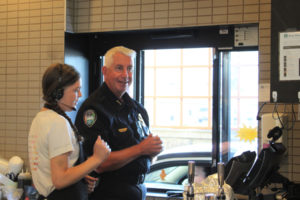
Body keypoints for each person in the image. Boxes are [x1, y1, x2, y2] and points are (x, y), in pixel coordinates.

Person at [75, 46, 163, 200]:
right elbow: (99, 163)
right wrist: (141, 149)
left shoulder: (137, 109)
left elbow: (146, 154)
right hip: (110, 193)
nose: (126, 75)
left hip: (138, 188)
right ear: (105, 71)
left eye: (129, 68)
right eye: (119, 68)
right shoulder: (93, 109)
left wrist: (152, 150)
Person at [28, 63, 111, 200]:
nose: (80, 95)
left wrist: (79, 177)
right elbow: (59, 180)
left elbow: (52, 170)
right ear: (58, 92)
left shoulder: (40, 118)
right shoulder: (57, 122)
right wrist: (97, 158)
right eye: (75, 90)